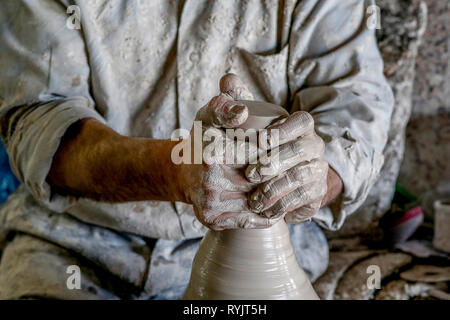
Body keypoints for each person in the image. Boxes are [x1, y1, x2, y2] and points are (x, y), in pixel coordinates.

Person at [0, 0, 393, 299]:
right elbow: (37, 122)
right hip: (75, 242)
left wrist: (311, 178)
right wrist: (175, 171)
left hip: (269, 247)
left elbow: (356, 110)